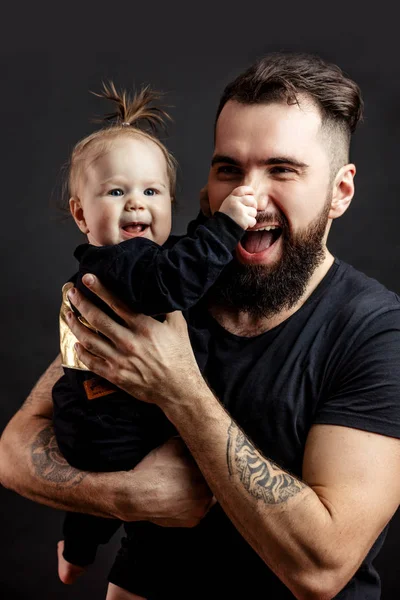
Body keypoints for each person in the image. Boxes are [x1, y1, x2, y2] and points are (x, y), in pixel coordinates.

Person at [1, 52, 400, 600]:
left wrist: (179, 387)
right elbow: (15, 449)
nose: (248, 196)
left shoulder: (377, 334)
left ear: (340, 191)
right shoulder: (163, 275)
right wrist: (126, 496)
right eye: (229, 169)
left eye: (282, 169)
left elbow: (321, 569)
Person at [50, 82, 257, 596]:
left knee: (91, 514)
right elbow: (173, 281)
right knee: (122, 490)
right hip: (110, 419)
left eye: (151, 192)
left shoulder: (136, 259)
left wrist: (208, 227)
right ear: (82, 215)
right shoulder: (120, 263)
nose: (136, 205)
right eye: (116, 192)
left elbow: (179, 256)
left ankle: (75, 553)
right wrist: (226, 226)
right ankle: (78, 550)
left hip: (96, 413)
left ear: (169, 201)